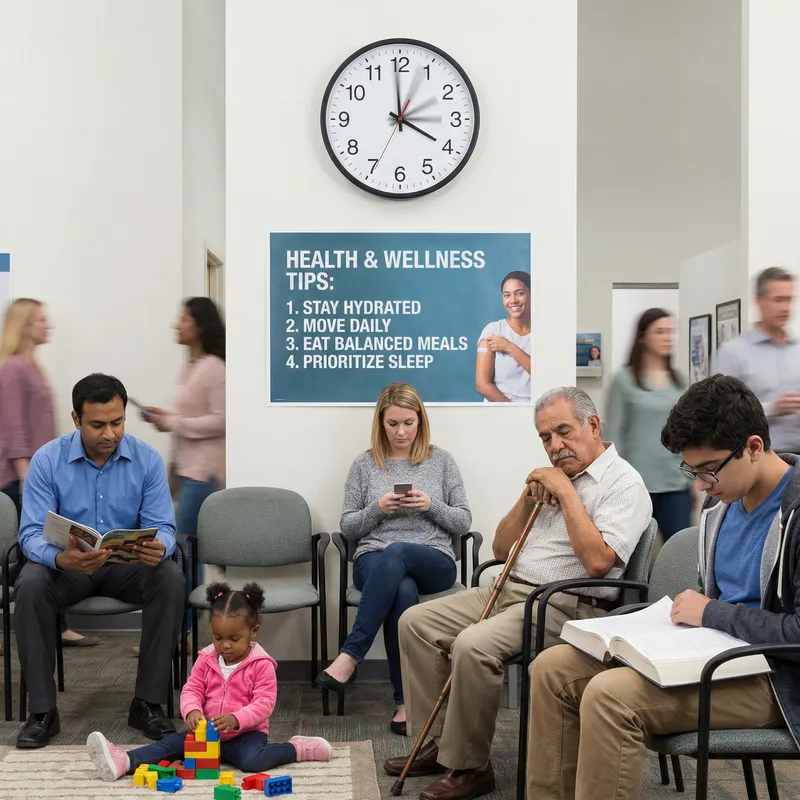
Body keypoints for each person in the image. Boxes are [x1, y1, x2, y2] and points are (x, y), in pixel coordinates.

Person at [527, 375, 800, 800]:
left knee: (609, 696)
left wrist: (711, 613)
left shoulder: (795, 513)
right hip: (714, 654)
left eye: (709, 469)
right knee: (553, 668)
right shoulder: (721, 505)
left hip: (775, 679)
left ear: (753, 447)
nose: (701, 484)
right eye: (693, 470)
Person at [384, 387, 652, 800]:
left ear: (593, 425)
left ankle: (470, 768)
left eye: (563, 432)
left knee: (473, 646)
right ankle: (437, 745)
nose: (555, 446)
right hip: (509, 588)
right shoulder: (552, 478)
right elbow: (501, 550)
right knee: (415, 622)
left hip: (566, 604)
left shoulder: (623, 484)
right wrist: (529, 496)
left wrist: (565, 493)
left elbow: (600, 563)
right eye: (546, 438)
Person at [14, 373, 185, 748]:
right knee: (29, 583)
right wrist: (60, 558)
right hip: (69, 570)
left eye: (117, 422)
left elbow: (162, 526)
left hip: (126, 568)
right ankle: (42, 711)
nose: (109, 434)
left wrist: (162, 546)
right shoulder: (48, 460)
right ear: (76, 420)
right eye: (97, 425)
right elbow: (29, 535)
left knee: (170, 578)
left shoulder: (146, 459)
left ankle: (148, 703)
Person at [316, 382, 471, 736]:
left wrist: (431, 505)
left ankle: (349, 656)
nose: (401, 432)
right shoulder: (364, 465)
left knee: (398, 552)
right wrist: (378, 509)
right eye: (392, 424)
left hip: (433, 559)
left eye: (408, 423)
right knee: (400, 587)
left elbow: (463, 521)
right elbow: (348, 527)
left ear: (421, 421)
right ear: (380, 423)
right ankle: (405, 703)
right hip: (373, 560)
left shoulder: (442, 461)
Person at [86, 582, 332, 780]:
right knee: (170, 743)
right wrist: (191, 710)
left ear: (253, 632)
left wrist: (237, 719)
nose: (225, 645)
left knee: (252, 762)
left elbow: (264, 703)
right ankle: (125, 760)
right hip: (206, 735)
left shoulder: (261, 664)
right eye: (218, 637)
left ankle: (296, 749)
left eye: (234, 638)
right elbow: (191, 689)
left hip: (245, 736)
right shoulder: (206, 659)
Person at [0, 298, 99, 653]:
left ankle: (58, 625)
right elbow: (13, 429)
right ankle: (42, 625)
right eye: (41, 319)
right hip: (18, 478)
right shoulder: (13, 367)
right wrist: (28, 479)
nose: (48, 325)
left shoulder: (30, 366)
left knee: (49, 550)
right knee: (26, 558)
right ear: (25, 324)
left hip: (37, 475)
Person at [606, 308, 691, 540]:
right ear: (643, 336)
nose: (667, 338)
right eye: (660, 332)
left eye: (671, 332)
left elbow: (688, 433)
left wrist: (693, 477)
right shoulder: (624, 380)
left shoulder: (678, 380)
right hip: (637, 484)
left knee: (680, 553)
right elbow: (614, 436)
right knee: (633, 557)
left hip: (675, 482)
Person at [716, 266, 800, 453]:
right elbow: (721, 412)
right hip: (760, 460)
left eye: (789, 300)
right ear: (759, 301)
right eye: (778, 300)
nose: (785, 308)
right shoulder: (733, 352)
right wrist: (772, 408)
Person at [476, 271, 532, 403]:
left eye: (520, 293)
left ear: (531, 294)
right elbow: (482, 385)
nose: (513, 300)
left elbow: (545, 375)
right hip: (500, 412)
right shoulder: (494, 330)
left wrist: (509, 347)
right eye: (507, 295)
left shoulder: (544, 332)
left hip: (537, 413)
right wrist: (513, 412)